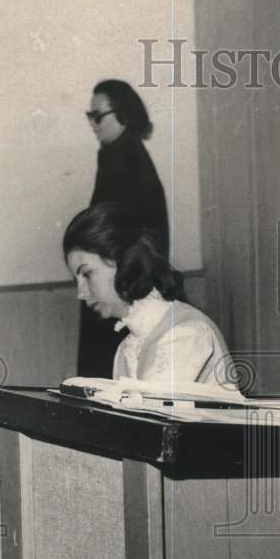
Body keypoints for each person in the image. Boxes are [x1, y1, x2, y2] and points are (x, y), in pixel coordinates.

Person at [64, 202, 230, 390]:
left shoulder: (186, 333)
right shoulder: (127, 348)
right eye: (75, 280)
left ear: (124, 261)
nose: (81, 293)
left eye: (87, 274)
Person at [77, 79, 169, 377]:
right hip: (122, 283)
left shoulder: (122, 157)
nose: (93, 124)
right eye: (89, 116)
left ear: (123, 114)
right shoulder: (121, 153)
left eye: (98, 116)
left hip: (122, 287)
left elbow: (112, 234)